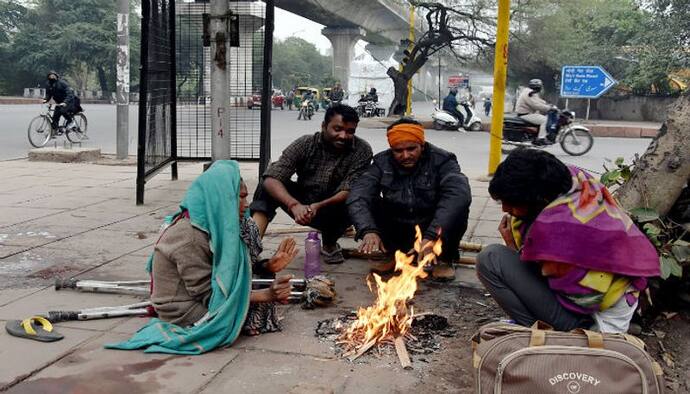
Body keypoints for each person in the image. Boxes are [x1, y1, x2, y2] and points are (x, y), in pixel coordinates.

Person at [107, 161, 299, 354]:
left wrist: (267, 266)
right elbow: (210, 295)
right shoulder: (189, 237)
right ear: (220, 199)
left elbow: (229, 267)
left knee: (259, 289)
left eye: (246, 197)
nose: (246, 205)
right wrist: (266, 295)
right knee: (255, 311)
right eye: (239, 198)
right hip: (182, 310)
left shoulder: (217, 224)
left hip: (202, 294)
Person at [476, 149, 660, 333]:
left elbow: (538, 276)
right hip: (614, 301)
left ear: (541, 200)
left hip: (590, 321)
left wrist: (512, 244)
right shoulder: (576, 181)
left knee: (491, 259)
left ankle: (541, 333)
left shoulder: (557, 233)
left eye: (512, 203)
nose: (505, 209)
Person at [347, 118, 472, 281]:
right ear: (391, 149)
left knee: (458, 207)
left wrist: (431, 236)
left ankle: (444, 259)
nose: (405, 155)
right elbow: (359, 194)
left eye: (411, 149)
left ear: (422, 144)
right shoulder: (381, 162)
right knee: (371, 200)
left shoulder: (443, 160)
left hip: (432, 226)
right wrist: (368, 229)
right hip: (399, 226)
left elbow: (458, 193)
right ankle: (392, 254)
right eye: (398, 151)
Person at [251, 104, 373, 264]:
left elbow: (350, 189)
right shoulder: (305, 143)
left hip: (335, 207)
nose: (343, 136)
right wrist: (294, 204)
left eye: (350, 131)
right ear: (324, 126)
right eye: (337, 129)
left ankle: (330, 243)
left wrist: (318, 205)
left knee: (358, 197)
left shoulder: (362, 150)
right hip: (302, 202)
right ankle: (250, 248)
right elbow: (272, 177)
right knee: (266, 185)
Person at [514, 79, 556, 145]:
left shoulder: (530, 92)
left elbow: (537, 101)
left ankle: (537, 135)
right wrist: (548, 108)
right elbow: (536, 105)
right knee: (545, 120)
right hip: (525, 114)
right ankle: (541, 138)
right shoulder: (529, 93)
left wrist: (547, 104)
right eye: (540, 86)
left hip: (527, 113)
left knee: (541, 117)